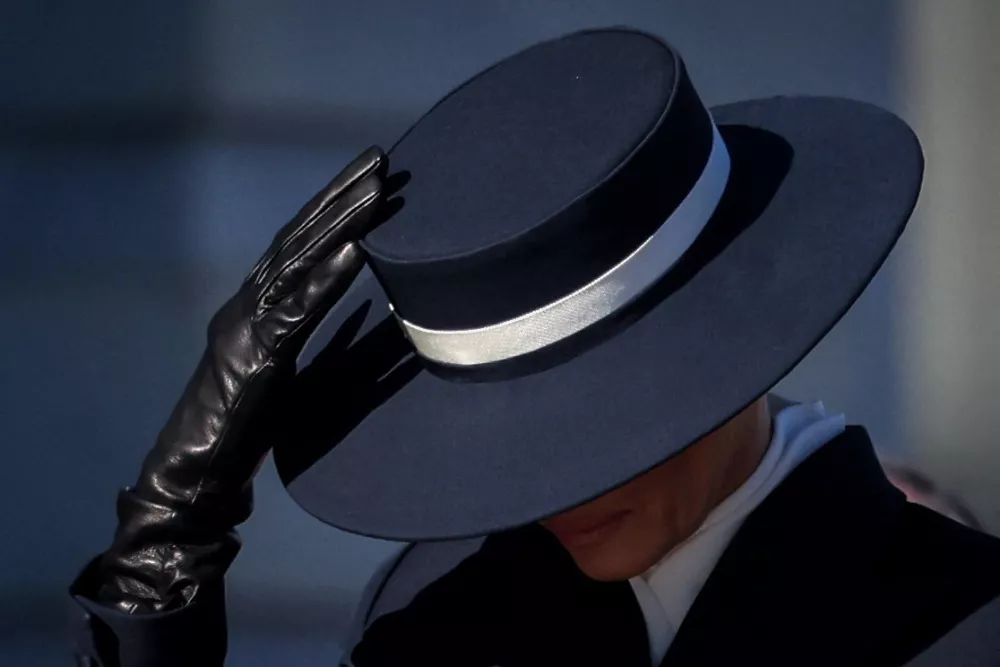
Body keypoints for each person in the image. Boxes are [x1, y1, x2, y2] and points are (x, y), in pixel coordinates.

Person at [70, 28, 1000, 667]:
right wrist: (168, 540)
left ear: (721, 348)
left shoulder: (960, 621)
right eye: (510, 434)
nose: (552, 486)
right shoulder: (436, 616)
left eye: (592, 419)